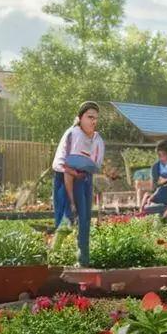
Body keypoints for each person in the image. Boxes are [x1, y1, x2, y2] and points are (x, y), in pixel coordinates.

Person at [52, 101, 104, 267]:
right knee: (66, 219)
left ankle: (83, 260)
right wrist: (72, 200)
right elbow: (68, 168)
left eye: (95, 118)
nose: (93, 121)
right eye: (89, 117)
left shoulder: (96, 139)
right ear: (80, 118)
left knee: (85, 219)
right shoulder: (74, 135)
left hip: (84, 177)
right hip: (67, 178)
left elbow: (93, 165)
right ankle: (54, 255)